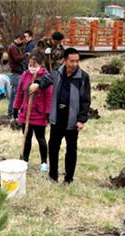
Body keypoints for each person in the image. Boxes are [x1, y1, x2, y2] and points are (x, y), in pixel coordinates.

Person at [47, 47, 91, 184]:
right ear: (64, 61)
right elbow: (45, 80)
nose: (75, 64)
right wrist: (37, 84)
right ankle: (53, 175)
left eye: (77, 61)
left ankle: (68, 178)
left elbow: (85, 100)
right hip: (57, 115)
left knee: (71, 150)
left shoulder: (83, 77)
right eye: (72, 61)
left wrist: (81, 119)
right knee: (53, 147)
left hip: (72, 118)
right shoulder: (57, 73)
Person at [14, 53, 52, 172]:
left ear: (40, 64)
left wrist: (47, 113)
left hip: (39, 113)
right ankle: (24, 160)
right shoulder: (25, 75)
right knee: (26, 137)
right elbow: (20, 92)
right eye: (30, 64)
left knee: (40, 138)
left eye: (34, 64)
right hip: (26, 113)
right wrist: (16, 107)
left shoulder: (46, 77)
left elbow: (49, 96)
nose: (31, 66)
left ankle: (44, 163)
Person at [7, 33, 27, 120]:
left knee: (13, 94)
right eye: (22, 40)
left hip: (15, 73)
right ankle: (12, 112)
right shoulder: (13, 47)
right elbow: (17, 59)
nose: (22, 42)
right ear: (18, 39)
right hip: (16, 73)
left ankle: (11, 111)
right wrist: (26, 55)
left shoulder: (13, 47)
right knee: (15, 94)